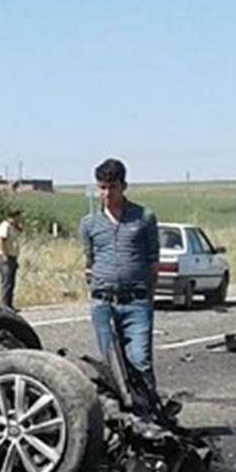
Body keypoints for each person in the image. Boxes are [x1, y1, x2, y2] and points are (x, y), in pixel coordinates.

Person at [80, 157, 160, 388]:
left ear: (123, 186)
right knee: (113, 366)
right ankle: (124, 416)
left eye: (112, 187)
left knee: (140, 360)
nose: (107, 193)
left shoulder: (144, 218)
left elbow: (153, 263)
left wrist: (148, 298)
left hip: (136, 302)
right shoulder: (89, 224)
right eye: (102, 188)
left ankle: (150, 414)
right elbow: (90, 260)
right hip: (103, 303)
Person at [0, 208, 23, 308]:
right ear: (14, 216)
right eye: (19, 216)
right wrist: (3, 254)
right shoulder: (5, 226)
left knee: (11, 282)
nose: (20, 219)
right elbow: (1, 240)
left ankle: (9, 304)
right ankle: (5, 305)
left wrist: (17, 226)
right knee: (6, 282)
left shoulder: (13, 227)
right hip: (6, 257)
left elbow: (20, 232)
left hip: (13, 256)